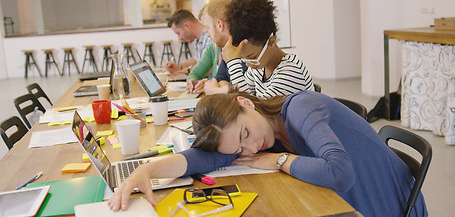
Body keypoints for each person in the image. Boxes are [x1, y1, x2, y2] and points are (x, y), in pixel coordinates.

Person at [108, 89, 428, 216]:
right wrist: (146, 171)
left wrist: (279, 161)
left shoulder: (301, 109)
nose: (249, 149)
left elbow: (340, 174)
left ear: (245, 103)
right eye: (238, 148)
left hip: (387, 208)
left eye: (245, 134)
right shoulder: (264, 135)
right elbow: (205, 159)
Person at [222, 0, 314, 98]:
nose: (248, 65)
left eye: (252, 57)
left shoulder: (291, 71)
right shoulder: (259, 68)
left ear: (271, 42)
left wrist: (233, 64)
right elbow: (244, 101)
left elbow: (252, 111)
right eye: (244, 59)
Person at [187, 0, 246, 94]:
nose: (206, 32)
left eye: (207, 27)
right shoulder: (226, 49)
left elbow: (242, 89)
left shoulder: (244, 50)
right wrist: (224, 88)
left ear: (219, 25)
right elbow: (220, 78)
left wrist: (216, 90)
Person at [165, 9, 212, 75]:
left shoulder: (209, 37)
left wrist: (186, 70)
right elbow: (196, 59)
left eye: (178, 33)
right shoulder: (200, 39)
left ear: (187, 26)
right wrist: (179, 67)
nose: (179, 38)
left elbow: (205, 67)